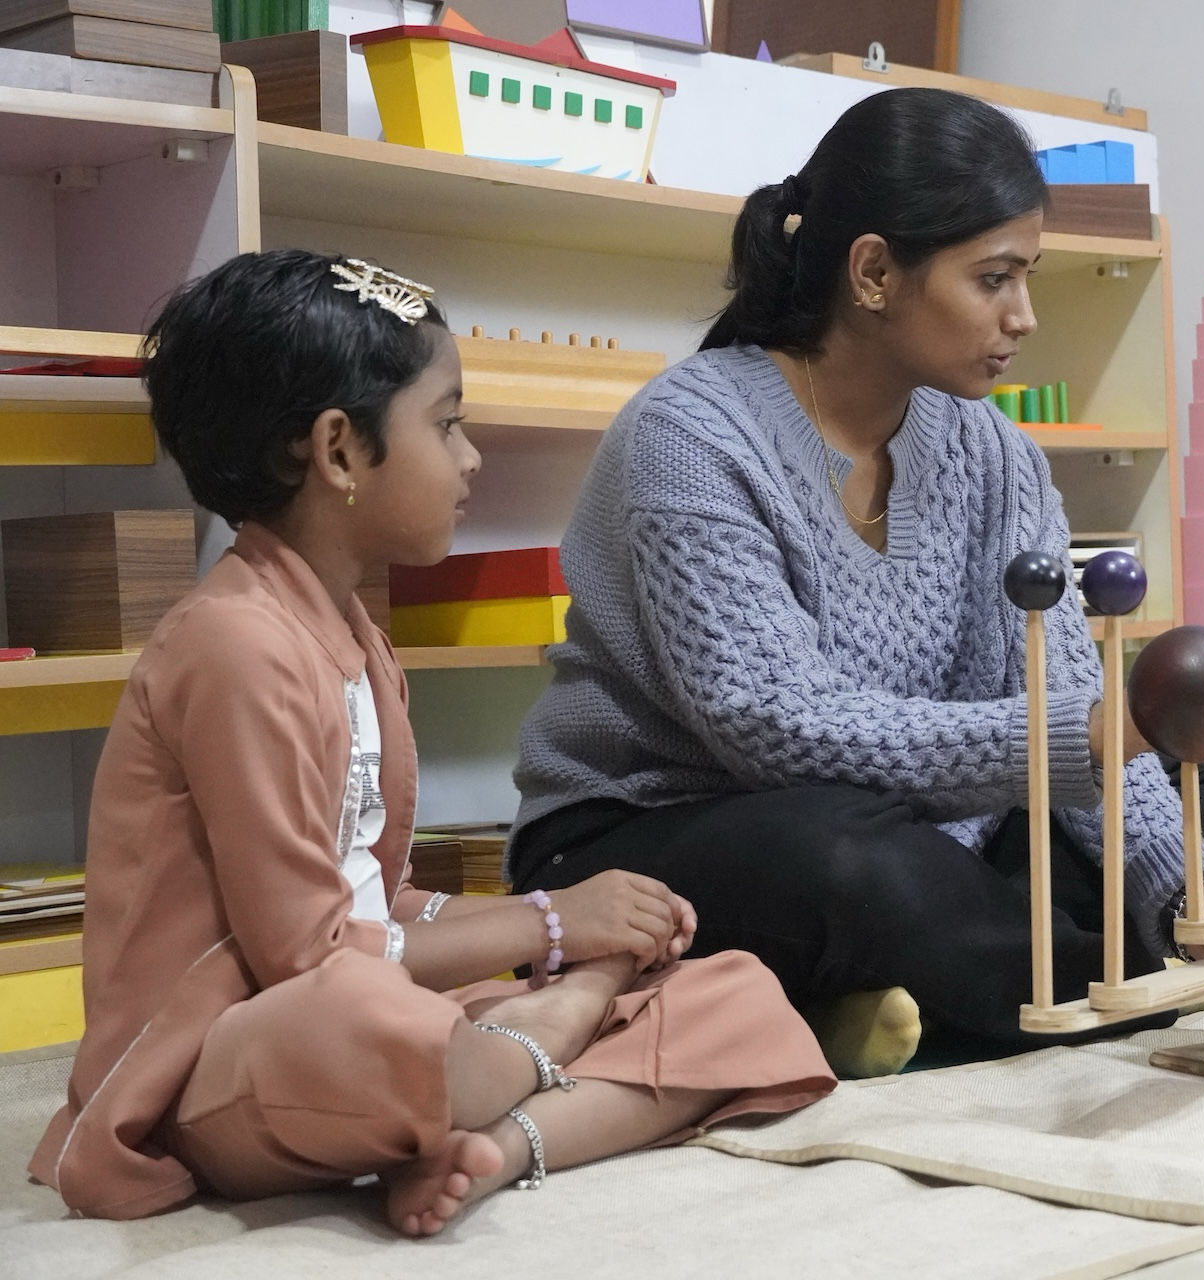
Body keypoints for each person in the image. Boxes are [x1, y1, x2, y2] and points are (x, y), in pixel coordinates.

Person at [30, 250, 833, 1232]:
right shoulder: (234, 643)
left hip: (367, 1017)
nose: (470, 457)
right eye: (446, 422)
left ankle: (495, 1144)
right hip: (222, 1066)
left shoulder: (355, 638)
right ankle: (554, 1032)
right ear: (336, 451)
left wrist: (546, 923)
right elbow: (305, 956)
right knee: (367, 1022)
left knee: (738, 989)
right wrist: (559, 940)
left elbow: (375, 895)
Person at [508, 88, 1204, 1075]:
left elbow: (1068, 714)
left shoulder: (998, 458)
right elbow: (775, 728)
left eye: (1027, 276)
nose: (1025, 315)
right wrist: (1083, 731)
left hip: (921, 829)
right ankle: (1105, 988)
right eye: (993, 278)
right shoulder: (691, 435)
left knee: (1186, 786)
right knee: (850, 858)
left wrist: (1190, 893)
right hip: (656, 835)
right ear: (873, 272)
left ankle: (905, 998)